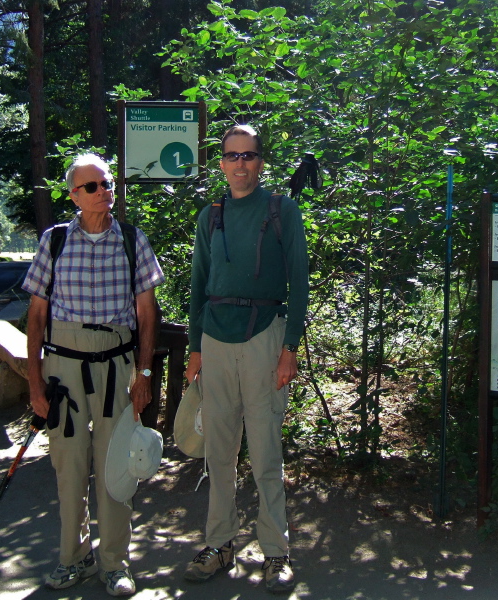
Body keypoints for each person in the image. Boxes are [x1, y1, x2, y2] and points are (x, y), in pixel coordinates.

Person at [22, 153, 164, 596]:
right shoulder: (55, 241)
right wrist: (33, 383)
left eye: (106, 183)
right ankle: (72, 558)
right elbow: (36, 315)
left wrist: (143, 372)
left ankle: (115, 563)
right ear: (73, 196)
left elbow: (147, 313)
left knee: (117, 464)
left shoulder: (131, 240)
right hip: (62, 367)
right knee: (69, 464)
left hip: (117, 366)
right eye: (92, 187)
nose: (104, 191)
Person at [183, 125, 309, 593]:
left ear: (261, 162)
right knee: (218, 453)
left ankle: (276, 552)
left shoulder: (282, 210)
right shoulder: (209, 217)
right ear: (221, 164)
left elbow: (299, 279)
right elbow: (197, 284)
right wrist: (195, 348)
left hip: (264, 338)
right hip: (215, 340)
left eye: (249, 156)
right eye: (232, 156)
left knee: (266, 452)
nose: (240, 164)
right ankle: (220, 545)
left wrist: (289, 348)